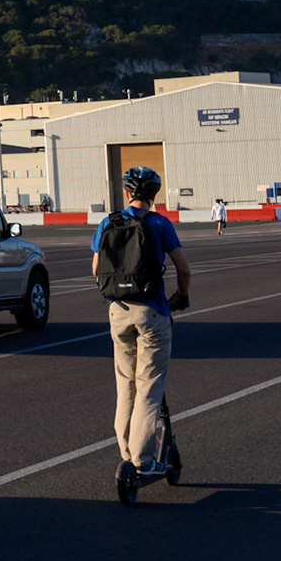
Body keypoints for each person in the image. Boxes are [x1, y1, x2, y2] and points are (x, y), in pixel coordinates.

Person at [92, 166, 192, 474]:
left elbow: (96, 269)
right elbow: (183, 269)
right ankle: (142, 460)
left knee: (126, 385)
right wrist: (180, 296)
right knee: (149, 387)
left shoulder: (108, 222)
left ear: (126, 193)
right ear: (153, 194)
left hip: (118, 311)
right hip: (152, 311)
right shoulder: (160, 223)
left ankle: (126, 453)